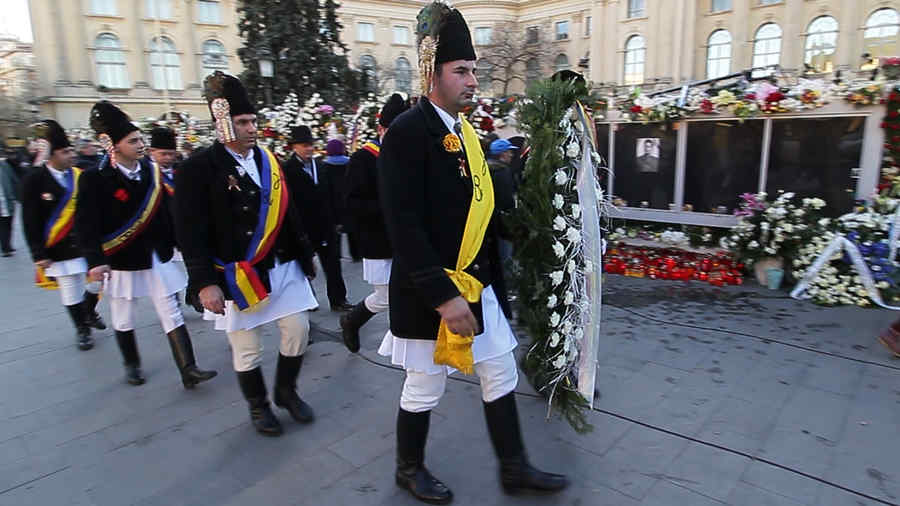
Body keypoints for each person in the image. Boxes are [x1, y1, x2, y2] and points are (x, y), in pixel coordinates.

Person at [377, 3, 568, 503]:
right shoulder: (405, 133)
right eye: (462, 71)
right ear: (431, 73)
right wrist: (442, 297)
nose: (473, 80)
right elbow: (404, 225)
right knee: (425, 385)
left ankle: (513, 468)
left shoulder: (468, 135)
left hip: (478, 285)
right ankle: (408, 468)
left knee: (500, 369)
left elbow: (486, 212)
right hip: (431, 292)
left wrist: (536, 231)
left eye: (475, 71)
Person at [176, 71, 319, 437]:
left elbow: (287, 213)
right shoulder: (196, 169)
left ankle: (286, 391)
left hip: (283, 264)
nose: (252, 128)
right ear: (223, 124)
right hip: (237, 272)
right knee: (247, 346)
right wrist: (204, 283)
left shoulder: (270, 160)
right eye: (243, 122)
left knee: (298, 330)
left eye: (253, 121)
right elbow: (190, 230)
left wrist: (306, 252)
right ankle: (259, 406)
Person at [76, 100, 217, 389]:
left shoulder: (151, 172)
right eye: (133, 140)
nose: (141, 144)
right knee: (123, 313)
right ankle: (132, 364)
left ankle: (188, 368)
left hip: (157, 255)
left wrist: (184, 243)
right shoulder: (94, 178)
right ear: (114, 145)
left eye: (141, 139)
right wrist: (94, 260)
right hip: (121, 257)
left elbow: (169, 213)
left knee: (171, 309)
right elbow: (85, 223)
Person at [21, 119, 105, 351]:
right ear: (52, 155)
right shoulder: (34, 180)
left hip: (87, 244)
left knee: (99, 282)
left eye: (71, 150)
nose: (71, 155)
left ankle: (88, 310)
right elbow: (30, 220)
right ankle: (82, 329)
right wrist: (38, 253)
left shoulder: (81, 175)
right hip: (57, 247)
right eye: (65, 152)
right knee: (70, 288)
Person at [340, 93, 409, 353]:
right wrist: (389, 207)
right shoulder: (364, 159)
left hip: (405, 239)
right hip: (378, 241)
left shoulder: (407, 156)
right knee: (385, 298)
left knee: (405, 295)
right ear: (381, 129)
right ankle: (352, 320)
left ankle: (405, 347)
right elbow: (352, 203)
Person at [282, 125, 352, 312]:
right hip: (304, 226)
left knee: (333, 265)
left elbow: (332, 195)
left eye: (311, 145)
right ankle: (308, 299)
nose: (309, 149)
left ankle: (338, 299)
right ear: (294, 147)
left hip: (326, 224)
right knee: (305, 266)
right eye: (304, 145)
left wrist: (338, 220)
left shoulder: (321, 166)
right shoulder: (287, 169)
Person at [147, 126, 202, 313]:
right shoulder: (145, 174)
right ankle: (174, 300)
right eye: (163, 154)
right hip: (159, 234)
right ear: (151, 152)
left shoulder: (182, 171)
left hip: (182, 230)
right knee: (167, 273)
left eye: (171, 154)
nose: (168, 158)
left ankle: (192, 294)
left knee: (190, 266)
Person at [0, 153, 19, 257]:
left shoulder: (4, 165)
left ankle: (8, 245)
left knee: (9, 224)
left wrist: (17, 195)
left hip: (8, 201)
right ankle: (5, 248)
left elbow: (14, 180)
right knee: (3, 225)